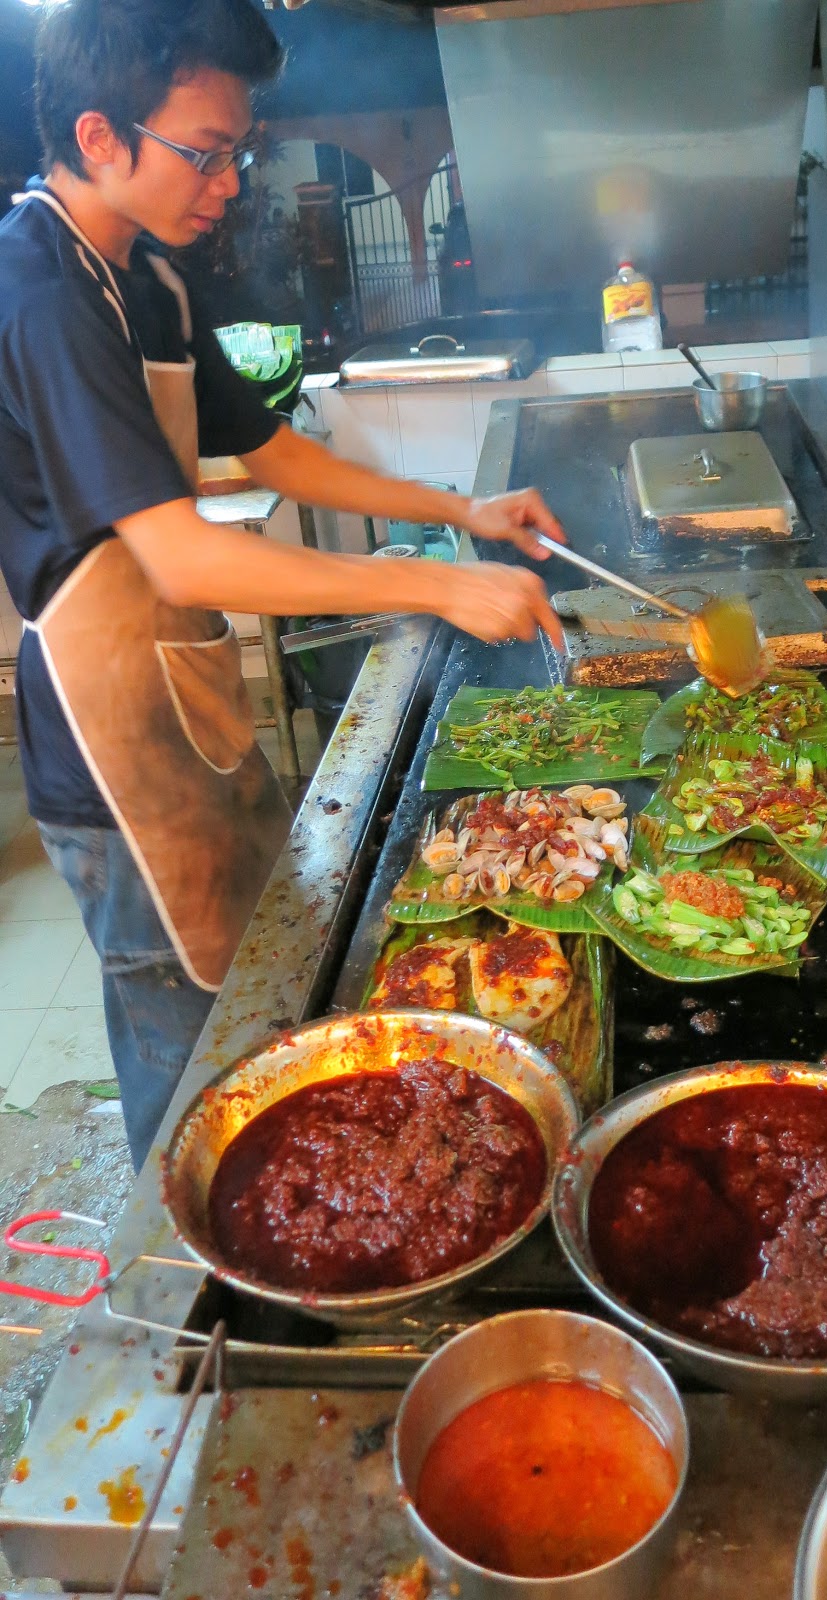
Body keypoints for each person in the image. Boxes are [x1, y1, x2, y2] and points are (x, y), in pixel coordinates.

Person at [0, 0, 567, 1171]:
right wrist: (434, 590)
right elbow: (184, 553)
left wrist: (461, 513)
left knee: (254, 1006)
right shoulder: (41, 292)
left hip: (185, 705)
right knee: (189, 1061)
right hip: (108, 758)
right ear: (102, 136)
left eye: (237, 150)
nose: (226, 180)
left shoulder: (146, 279)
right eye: (204, 150)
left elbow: (269, 448)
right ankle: (190, 1315)